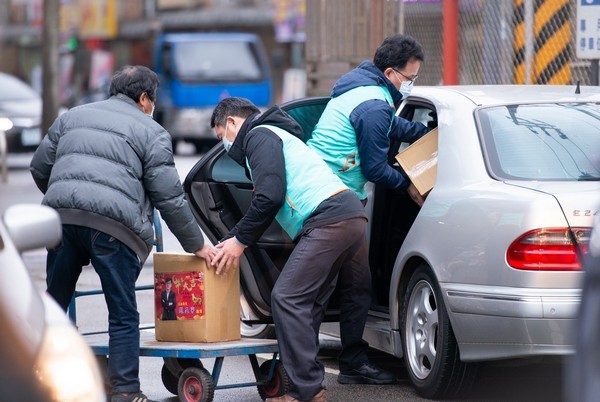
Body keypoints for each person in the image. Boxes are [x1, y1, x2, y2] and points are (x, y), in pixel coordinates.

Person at [30, 65, 212, 402]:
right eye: (152, 100)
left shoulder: (72, 117)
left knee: (55, 305)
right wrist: (197, 244)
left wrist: (65, 196)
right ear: (144, 98)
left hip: (61, 221)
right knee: (123, 311)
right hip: (113, 228)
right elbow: (169, 198)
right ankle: (126, 391)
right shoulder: (152, 132)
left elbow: (40, 167)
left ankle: (45, 379)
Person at [209, 97, 370, 402]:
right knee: (308, 304)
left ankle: (307, 392)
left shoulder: (258, 134)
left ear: (231, 122)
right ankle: (303, 389)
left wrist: (239, 242)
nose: (225, 145)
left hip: (329, 219)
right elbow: (271, 198)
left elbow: (269, 197)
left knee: (286, 298)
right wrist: (233, 237)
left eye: (221, 137)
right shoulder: (278, 135)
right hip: (349, 216)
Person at [306, 33, 430, 385]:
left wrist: (424, 132)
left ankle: (349, 362)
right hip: (330, 201)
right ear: (390, 73)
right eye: (410, 78)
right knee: (325, 284)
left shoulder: (360, 87)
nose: (411, 84)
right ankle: (303, 367)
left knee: (355, 283)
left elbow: (392, 125)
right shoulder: (375, 104)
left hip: (335, 195)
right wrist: (409, 185)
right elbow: (376, 168)